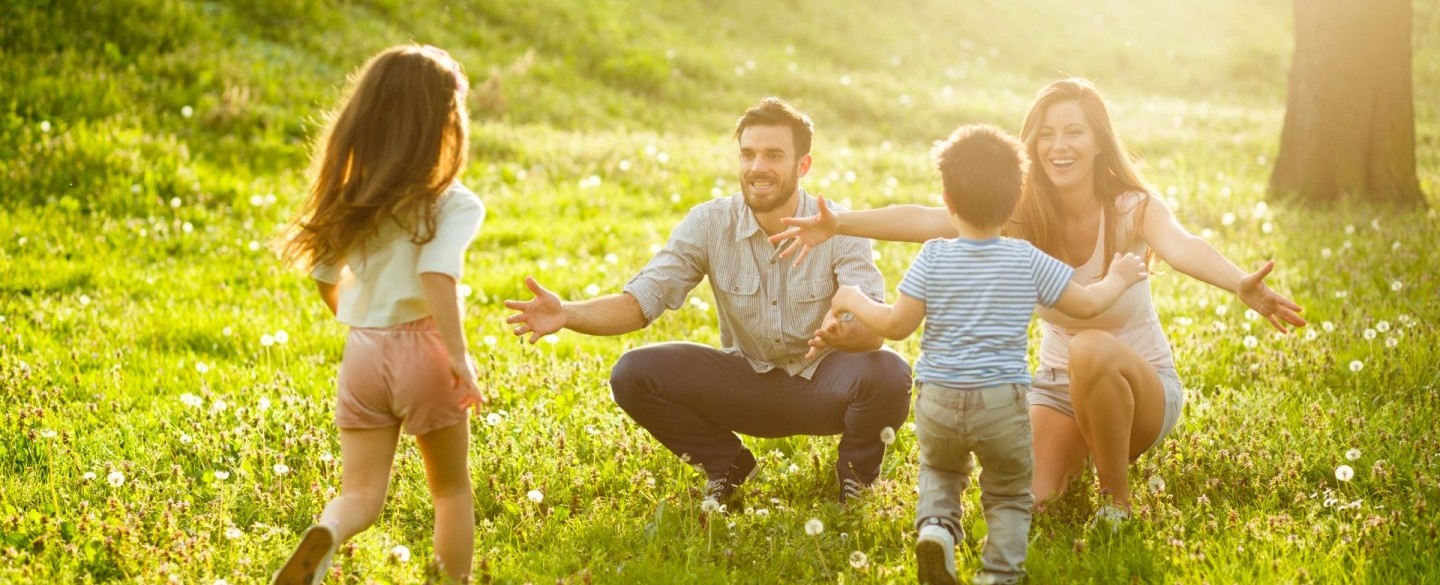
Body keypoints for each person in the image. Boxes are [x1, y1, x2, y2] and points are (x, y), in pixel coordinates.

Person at [771, 78, 1306, 523]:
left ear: (1099, 141)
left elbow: (1183, 246)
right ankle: (1085, 451)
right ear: (1032, 145)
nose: (1060, 145)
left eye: (1075, 132)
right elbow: (928, 219)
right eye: (1047, 134)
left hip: (1140, 389)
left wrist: (1238, 281)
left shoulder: (1132, 208)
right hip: (1055, 391)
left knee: (1090, 348)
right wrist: (838, 222)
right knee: (1032, 503)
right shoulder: (1021, 213)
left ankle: (1116, 502)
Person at [503, 97, 912, 508]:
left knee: (890, 373)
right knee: (633, 372)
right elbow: (640, 302)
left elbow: (873, 333)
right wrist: (567, 313)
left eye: (773, 155)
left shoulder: (839, 227)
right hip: (746, 382)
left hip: (824, 385)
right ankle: (728, 465)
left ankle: (856, 479)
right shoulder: (709, 223)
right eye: (748, 154)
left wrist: (846, 333)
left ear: (802, 165)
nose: (757, 167)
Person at [826, 124, 1147, 585]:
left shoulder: (934, 256)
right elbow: (1090, 303)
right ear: (1018, 199)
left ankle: (937, 529)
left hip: (938, 397)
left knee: (940, 470)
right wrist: (1119, 275)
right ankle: (998, 573)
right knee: (1008, 493)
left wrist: (852, 298)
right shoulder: (1026, 258)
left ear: (949, 202)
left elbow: (897, 324)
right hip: (1001, 401)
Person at [271, 45, 487, 585]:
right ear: (444, 123)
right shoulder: (452, 202)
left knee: (361, 494)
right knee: (451, 490)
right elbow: (437, 277)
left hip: (363, 351)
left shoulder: (353, 194)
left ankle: (328, 531)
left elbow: (325, 274)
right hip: (424, 350)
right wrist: (458, 357)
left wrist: (358, 314)